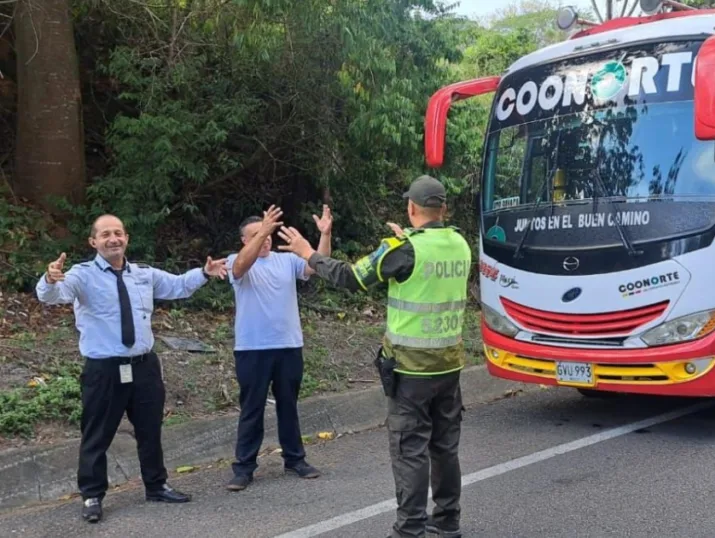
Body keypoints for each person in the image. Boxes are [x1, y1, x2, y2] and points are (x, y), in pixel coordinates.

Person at [276, 175, 471, 538]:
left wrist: (309, 254)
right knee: (445, 447)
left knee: (410, 450)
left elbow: (351, 277)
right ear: (443, 209)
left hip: (411, 372)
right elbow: (426, 267)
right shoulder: (459, 243)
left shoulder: (404, 248)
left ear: (411, 208)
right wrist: (403, 242)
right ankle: (447, 521)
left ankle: (409, 529)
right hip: (450, 366)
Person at [35, 214, 228, 523]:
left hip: (144, 367)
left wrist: (204, 273)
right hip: (104, 370)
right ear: (93, 242)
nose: (114, 239)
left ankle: (156, 485)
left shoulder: (143, 274)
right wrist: (49, 278)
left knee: (150, 430)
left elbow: (178, 286)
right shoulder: (80, 275)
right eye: (106, 234)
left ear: (126, 238)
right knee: (97, 435)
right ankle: (92, 496)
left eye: (119, 233)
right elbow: (52, 295)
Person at [222, 204, 332, 491]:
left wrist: (325, 234)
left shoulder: (286, 261)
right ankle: (244, 468)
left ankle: (295, 459)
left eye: (269, 231)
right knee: (252, 408)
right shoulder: (238, 259)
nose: (267, 236)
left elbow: (317, 265)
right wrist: (264, 230)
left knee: (288, 406)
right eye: (258, 233)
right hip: (252, 349)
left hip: (288, 346)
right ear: (245, 240)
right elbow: (238, 268)